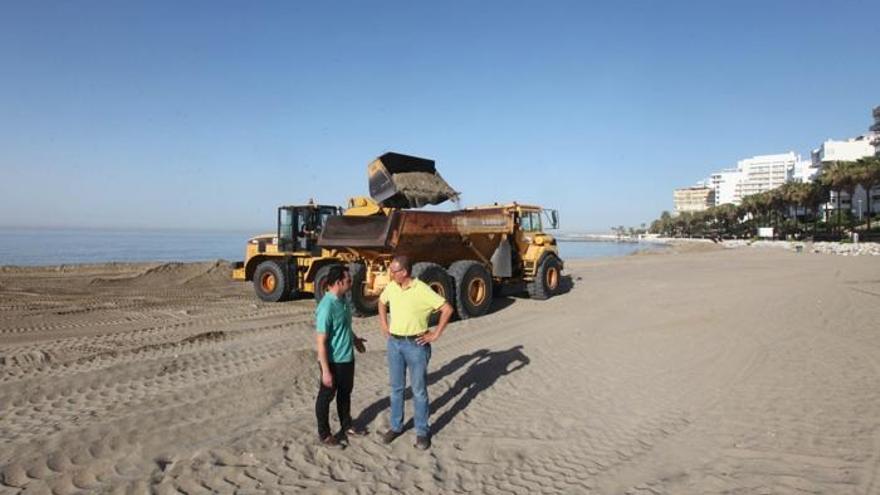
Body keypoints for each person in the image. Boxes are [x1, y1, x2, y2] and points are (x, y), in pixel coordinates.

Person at [378, 256, 454, 450]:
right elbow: (381, 302)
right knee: (396, 389)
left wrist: (435, 334)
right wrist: (384, 324)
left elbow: (447, 309)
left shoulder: (421, 290)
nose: (391, 274)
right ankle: (396, 426)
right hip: (394, 344)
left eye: (394, 271)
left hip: (416, 346)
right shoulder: (392, 287)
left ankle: (422, 431)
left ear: (404, 272)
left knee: (419, 391)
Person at [315, 265, 367, 447]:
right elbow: (321, 342)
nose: (351, 284)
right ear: (338, 283)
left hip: (347, 359)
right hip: (332, 361)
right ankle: (325, 434)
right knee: (325, 397)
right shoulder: (326, 307)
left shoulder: (343, 301)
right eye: (348, 281)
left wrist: (355, 340)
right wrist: (326, 371)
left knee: (345, 394)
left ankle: (347, 426)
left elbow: (344, 326)